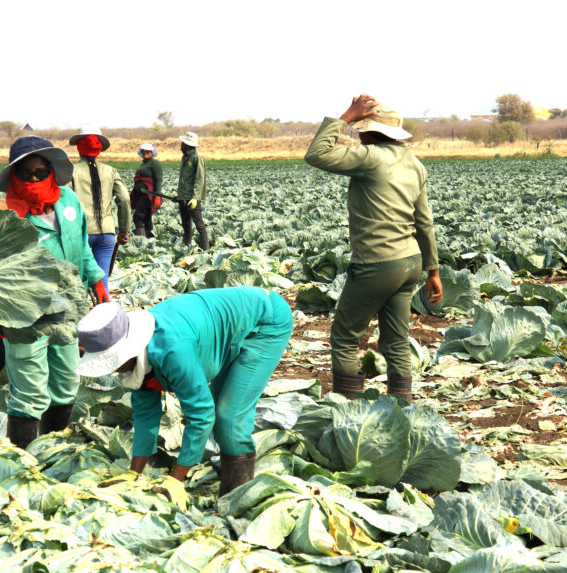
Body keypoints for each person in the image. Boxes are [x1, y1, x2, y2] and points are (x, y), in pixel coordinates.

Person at [75, 286, 293, 503]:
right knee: (221, 407)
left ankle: (238, 498)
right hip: (225, 324)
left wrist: (175, 480)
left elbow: (202, 414)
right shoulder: (137, 358)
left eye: (111, 362)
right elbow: (145, 414)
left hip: (265, 321)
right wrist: (134, 473)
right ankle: (230, 493)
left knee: (229, 414)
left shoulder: (172, 350)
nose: (112, 370)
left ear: (127, 351)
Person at [304, 95, 443, 403]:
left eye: (360, 130)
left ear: (372, 133)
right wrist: (433, 271)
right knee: (396, 340)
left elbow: (316, 154)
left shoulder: (370, 157)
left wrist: (345, 117)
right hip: (410, 263)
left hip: (377, 264)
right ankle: (401, 409)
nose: (358, 136)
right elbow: (424, 221)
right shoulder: (415, 164)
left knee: (344, 338)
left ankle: (348, 410)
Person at [0, 135, 109, 448]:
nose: (33, 179)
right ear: (13, 175)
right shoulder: (3, 214)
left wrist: (96, 279)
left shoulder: (68, 201)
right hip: (24, 314)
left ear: (51, 171)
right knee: (29, 389)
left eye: (40, 172)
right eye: (25, 173)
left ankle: (51, 449)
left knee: (66, 380)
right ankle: (22, 458)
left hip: (67, 307)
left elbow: (81, 245)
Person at [68, 126, 131, 292]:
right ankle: (104, 306)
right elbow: (124, 199)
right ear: (99, 150)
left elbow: (64, 201)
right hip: (106, 233)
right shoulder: (111, 171)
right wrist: (124, 230)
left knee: (78, 281)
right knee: (102, 283)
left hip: (80, 233)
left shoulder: (70, 171)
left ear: (79, 148)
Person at [176, 131, 209, 250]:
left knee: (199, 225)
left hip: (192, 198)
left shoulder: (197, 157)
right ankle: (187, 247)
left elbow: (200, 178)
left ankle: (206, 250)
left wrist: (195, 197)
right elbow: (183, 179)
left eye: (183, 143)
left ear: (188, 145)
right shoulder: (184, 157)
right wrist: (179, 196)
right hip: (183, 197)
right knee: (186, 225)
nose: (181, 146)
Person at [131, 142, 164, 238]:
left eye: (148, 151)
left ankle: (141, 238)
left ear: (152, 153)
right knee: (146, 217)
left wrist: (157, 196)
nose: (145, 153)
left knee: (138, 216)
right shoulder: (144, 163)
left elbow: (158, 180)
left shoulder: (155, 163)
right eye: (143, 151)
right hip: (141, 194)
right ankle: (149, 238)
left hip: (148, 194)